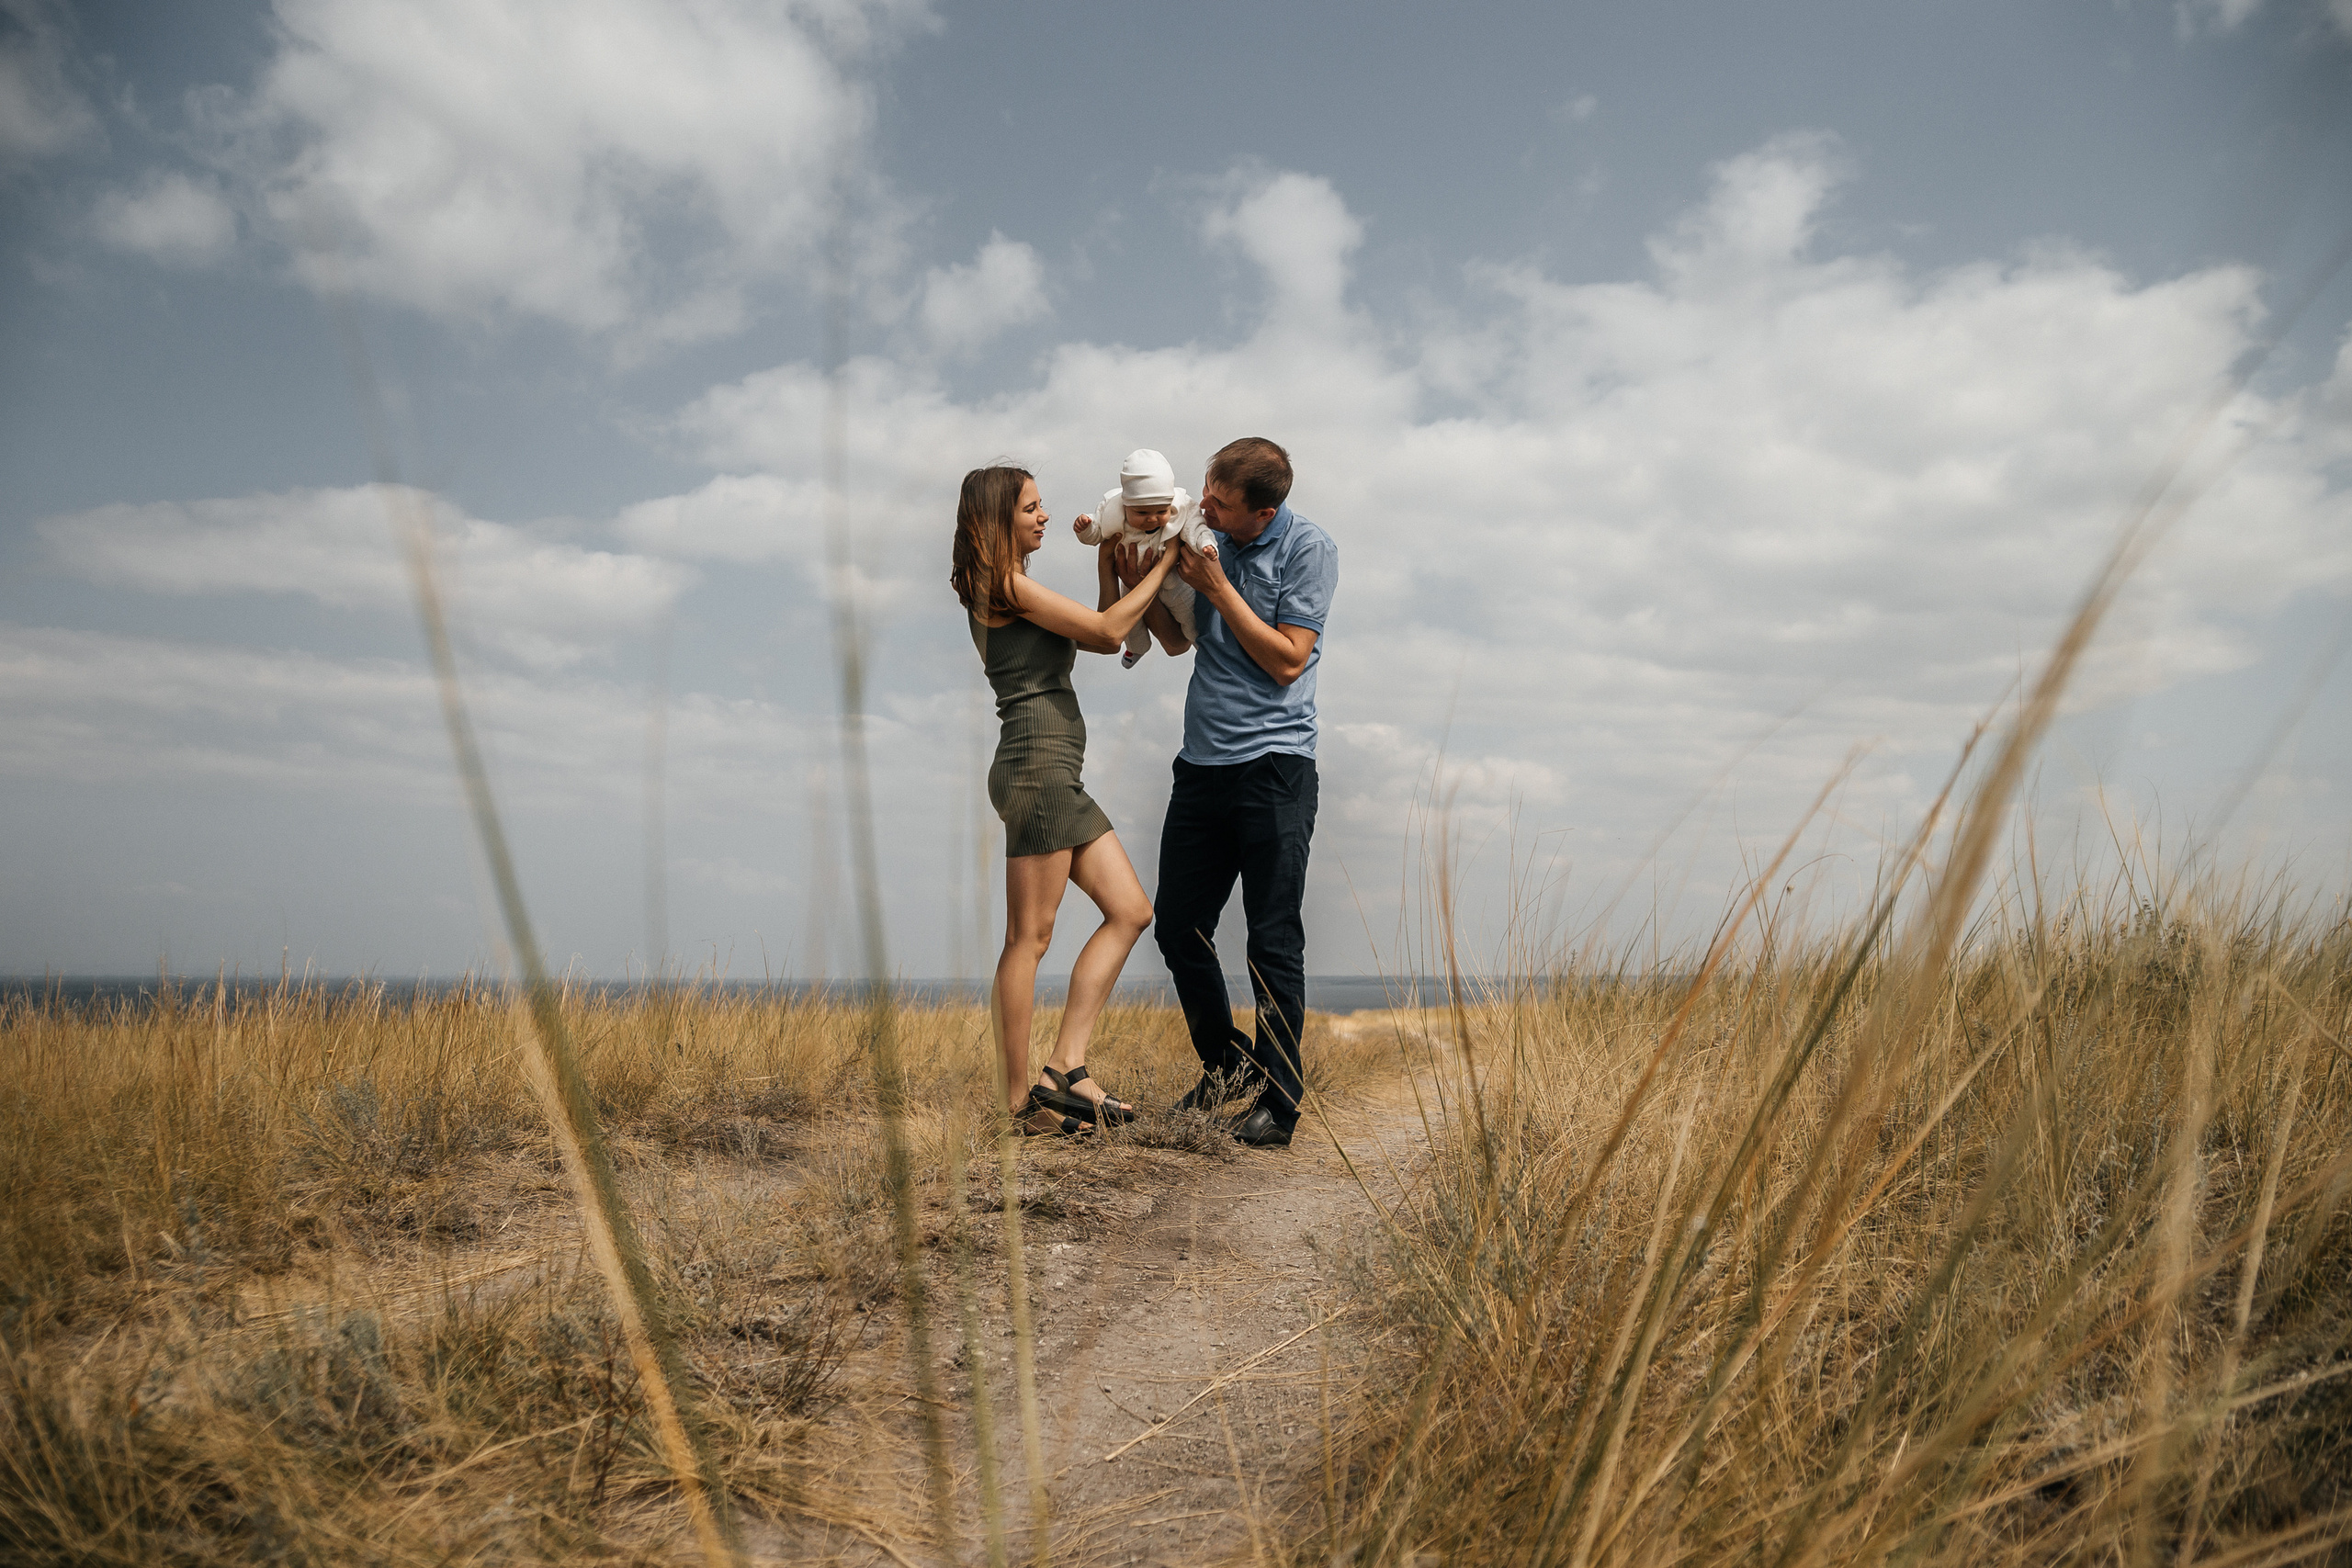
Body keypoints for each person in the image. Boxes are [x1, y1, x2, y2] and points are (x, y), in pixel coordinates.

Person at [1119, 437, 1337, 1149]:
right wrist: (1141, 586)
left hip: (1275, 767)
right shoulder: (1202, 533)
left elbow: (1287, 660)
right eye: (1205, 488)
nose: (1201, 504)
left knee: (1271, 938)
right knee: (1178, 925)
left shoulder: (1308, 549)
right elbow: (1181, 644)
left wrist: (1219, 588)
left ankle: (1280, 1101)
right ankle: (1226, 1066)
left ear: (1263, 511)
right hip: (1201, 766)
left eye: (1218, 500)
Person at [951, 464, 1177, 1134]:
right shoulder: (1004, 585)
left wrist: (1113, 562)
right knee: (1030, 937)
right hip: (1035, 769)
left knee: (1132, 911)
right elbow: (1110, 634)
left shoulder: (1016, 586)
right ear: (997, 519)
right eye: (1030, 507)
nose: (1044, 516)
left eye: (1042, 505)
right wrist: (1165, 564)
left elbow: (1100, 630)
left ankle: (1065, 1068)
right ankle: (1018, 1104)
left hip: (1055, 772)